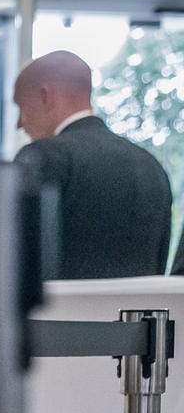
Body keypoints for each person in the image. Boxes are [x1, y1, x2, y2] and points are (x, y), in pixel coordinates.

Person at [12, 50, 172, 280]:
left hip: (58, 315)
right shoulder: (150, 166)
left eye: (22, 107)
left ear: (45, 96)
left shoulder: (42, 156)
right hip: (133, 315)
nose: (19, 124)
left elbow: (16, 257)